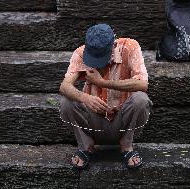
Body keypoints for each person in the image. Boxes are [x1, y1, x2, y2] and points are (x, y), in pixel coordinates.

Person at [59, 24, 152, 170]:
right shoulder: (80, 53)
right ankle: (85, 147)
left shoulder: (130, 47)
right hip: (93, 123)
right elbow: (64, 86)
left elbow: (142, 85)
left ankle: (126, 146)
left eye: (101, 58)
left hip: (122, 122)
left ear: (113, 45)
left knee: (141, 99)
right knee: (66, 102)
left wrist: (102, 83)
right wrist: (85, 98)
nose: (97, 64)